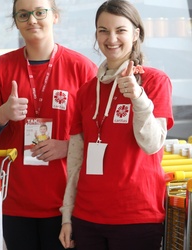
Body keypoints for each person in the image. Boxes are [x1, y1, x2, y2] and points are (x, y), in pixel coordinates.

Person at [0, 0, 97, 248]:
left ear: (55, 16)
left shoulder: (81, 68)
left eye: (40, 12)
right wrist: (3, 113)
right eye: (23, 14)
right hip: (12, 202)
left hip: (65, 204)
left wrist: (67, 147)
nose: (32, 19)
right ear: (16, 22)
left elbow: (98, 136)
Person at [59, 1, 174, 249]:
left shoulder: (154, 81)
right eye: (103, 30)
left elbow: (153, 144)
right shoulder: (86, 91)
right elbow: (76, 157)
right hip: (87, 216)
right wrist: (67, 216)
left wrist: (138, 97)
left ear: (136, 34)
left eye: (120, 30)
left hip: (136, 215)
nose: (111, 38)